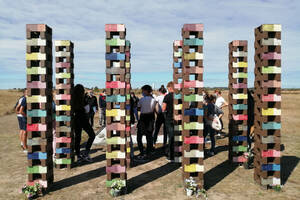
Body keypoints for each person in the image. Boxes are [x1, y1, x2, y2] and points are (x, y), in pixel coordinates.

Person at [72, 84, 96, 162]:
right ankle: (86, 153)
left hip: (75, 119)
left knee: (77, 138)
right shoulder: (83, 99)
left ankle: (78, 155)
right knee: (92, 135)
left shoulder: (72, 100)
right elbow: (87, 110)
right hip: (83, 119)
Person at [137, 85, 157, 160]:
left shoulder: (142, 99)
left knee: (139, 136)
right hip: (151, 117)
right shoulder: (154, 99)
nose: (142, 92)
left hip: (143, 118)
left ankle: (142, 152)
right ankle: (149, 151)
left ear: (145, 91)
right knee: (149, 136)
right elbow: (156, 109)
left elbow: (138, 108)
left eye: (143, 91)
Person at [162, 82, 175, 162]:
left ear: (170, 87)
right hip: (178, 119)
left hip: (169, 119)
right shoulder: (179, 96)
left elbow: (163, 108)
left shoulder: (167, 96)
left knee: (171, 137)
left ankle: (171, 155)